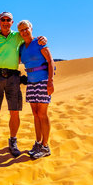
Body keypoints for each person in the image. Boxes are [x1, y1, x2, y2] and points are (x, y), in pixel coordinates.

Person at [0, 12, 46, 158]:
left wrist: (42, 39)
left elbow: (29, 37)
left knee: (14, 112)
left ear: (11, 22)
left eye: (8, 20)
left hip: (13, 78)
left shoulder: (17, 36)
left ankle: (13, 142)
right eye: (3, 20)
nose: (5, 22)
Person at [17, 20, 54, 158]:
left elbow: (50, 60)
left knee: (43, 113)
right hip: (31, 82)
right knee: (35, 113)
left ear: (31, 28)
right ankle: (38, 143)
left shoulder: (39, 42)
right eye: (21, 30)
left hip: (43, 80)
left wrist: (50, 81)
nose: (24, 32)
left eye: (26, 28)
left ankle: (45, 146)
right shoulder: (21, 48)